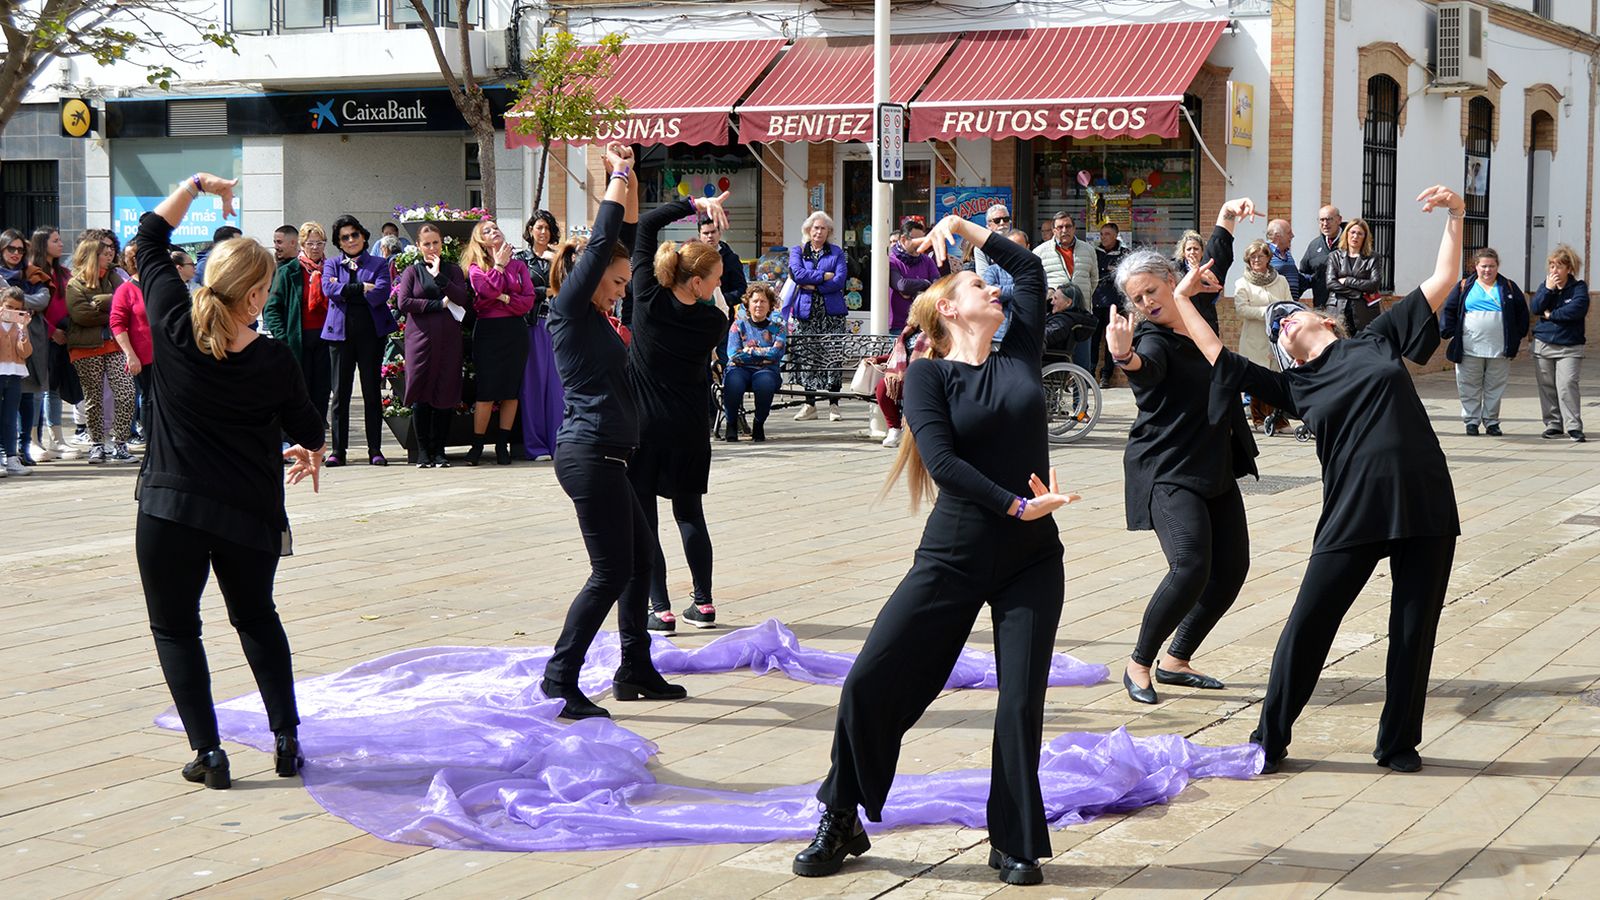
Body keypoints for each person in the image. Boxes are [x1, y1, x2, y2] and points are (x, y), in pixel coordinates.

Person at [793, 213, 1078, 887]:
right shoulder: (928, 377)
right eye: (979, 285)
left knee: (1020, 703)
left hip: (1033, 559)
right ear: (948, 308)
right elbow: (944, 463)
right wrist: (1015, 504)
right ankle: (841, 814)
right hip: (955, 553)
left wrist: (961, 225)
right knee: (870, 680)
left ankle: (1014, 841)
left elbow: (1027, 267)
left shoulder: (1019, 350)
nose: (994, 289)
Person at [1169, 185, 1467, 775]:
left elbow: (1442, 280)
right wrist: (1183, 295)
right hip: (1353, 510)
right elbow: (1214, 351)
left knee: (1413, 630)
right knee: (1309, 624)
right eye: (1277, 329)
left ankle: (1398, 743)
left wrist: (1456, 216)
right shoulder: (1295, 385)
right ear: (1289, 355)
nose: (1283, 325)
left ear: (1323, 318)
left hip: (1425, 500)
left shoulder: (1376, 339)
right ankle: (1269, 739)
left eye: (1288, 314)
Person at [132, 173, 325, 790]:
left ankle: (209, 753)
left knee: (176, 629)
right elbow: (311, 428)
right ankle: (286, 738)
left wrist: (196, 186)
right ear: (258, 295)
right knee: (257, 618)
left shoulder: (171, 323)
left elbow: (149, 238)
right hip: (247, 510)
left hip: (171, 506)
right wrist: (310, 452)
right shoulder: (274, 360)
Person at [543, 142, 686, 720]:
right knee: (609, 573)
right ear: (593, 276)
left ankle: (634, 669)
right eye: (619, 282)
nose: (624, 289)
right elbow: (604, 241)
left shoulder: (599, 318)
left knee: (641, 561)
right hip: (589, 453)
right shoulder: (568, 311)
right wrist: (618, 174)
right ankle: (560, 678)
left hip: (611, 457)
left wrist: (628, 178)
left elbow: (622, 235)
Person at [1104, 198, 1261, 707]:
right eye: (1137, 298)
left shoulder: (1196, 312)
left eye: (1151, 291)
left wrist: (1226, 216)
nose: (1146, 303)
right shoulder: (1151, 340)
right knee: (1191, 564)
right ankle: (1139, 663)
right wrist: (1124, 357)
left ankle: (1177, 659)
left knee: (1232, 569)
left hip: (1213, 461)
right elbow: (1146, 372)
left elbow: (1215, 257)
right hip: (1167, 468)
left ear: (1171, 281)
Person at [628, 189, 730, 634]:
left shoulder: (645, 299)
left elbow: (646, 226)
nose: (719, 285)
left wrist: (693, 206)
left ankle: (661, 609)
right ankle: (703, 604)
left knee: (646, 519)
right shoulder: (713, 322)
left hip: (644, 427)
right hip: (689, 428)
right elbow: (714, 307)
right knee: (690, 514)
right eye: (716, 279)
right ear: (697, 284)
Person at [393, 224, 471, 468]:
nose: (432, 247)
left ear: (442, 243)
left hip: (448, 339)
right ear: (418, 246)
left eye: (435, 242)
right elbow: (404, 302)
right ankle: (423, 451)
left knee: (445, 391)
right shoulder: (412, 271)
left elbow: (462, 298)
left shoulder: (452, 270)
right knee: (421, 391)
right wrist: (437, 305)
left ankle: (439, 451)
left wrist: (440, 277)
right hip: (420, 339)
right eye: (426, 244)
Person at [464, 218, 536, 465]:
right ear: (481, 241)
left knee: (510, 391)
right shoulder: (476, 267)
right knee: (486, 391)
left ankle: (502, 444)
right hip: (488, 331)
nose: (494, 231)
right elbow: (486, 292)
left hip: (514, 331)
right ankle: (477, 445)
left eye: (495, 228)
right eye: (487, 230)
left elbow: (527, 301)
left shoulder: (519, 266)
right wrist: (499, 266)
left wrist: (504, 298)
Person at [322, 215, 393, 467]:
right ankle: (338, 450)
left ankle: (375, 449)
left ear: (363, 236)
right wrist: (362, 287)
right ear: (338, 243)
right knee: (340, 394)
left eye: (354, 234)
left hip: (371, 335)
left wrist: (344, 289)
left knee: (371, 392)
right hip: (339, 336)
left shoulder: (379, 263)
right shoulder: (331, 264)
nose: (351, 240)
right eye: (345, 237)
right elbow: (328, 290)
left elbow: (381, 292)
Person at [1438, 247, 1529, 436]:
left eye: (1491, 266)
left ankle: (1491, 422)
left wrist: (1517, 335)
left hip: (1499, 348)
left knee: (1494, 386)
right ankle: (1471, 421)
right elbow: (1449, 310)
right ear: (1476, 266)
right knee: (1468, 385)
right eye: (1484, 266)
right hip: (1469, 347)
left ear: (1497, 267)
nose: (1488, 270)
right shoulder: (1464, 286)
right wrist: (1450, 333)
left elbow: (1522, 312)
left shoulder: (1508, 287)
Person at [65, 236, 137, 464]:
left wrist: (101, 303)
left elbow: (127, 304)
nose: (109, 256)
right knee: (93, 399)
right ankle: (97, 444)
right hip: (86, 348)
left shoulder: (114, 276)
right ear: (92, 257)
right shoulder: (74, 283)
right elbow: (81, 315)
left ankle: (120, 443)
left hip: (116, 345)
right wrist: (113, 312)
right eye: (104, 253)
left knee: (126, 394)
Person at [263, 222, 332, 426]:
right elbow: (271, 309)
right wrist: (283, 338)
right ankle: (299, 436)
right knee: (300, 392)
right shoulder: (288, 271)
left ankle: (317, 434)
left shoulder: (332, 269)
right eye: (310, 243)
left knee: (322, 391)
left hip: (327, 340)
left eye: (320, 243)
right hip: (298, 340)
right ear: (302, 244)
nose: (315, 248)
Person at [787, 211, 848, 422]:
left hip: (832, 314)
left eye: (823, 228)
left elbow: (840, 280)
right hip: (806, 313)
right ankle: (810, 405)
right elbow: (797, 274)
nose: (819, 232)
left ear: (828, 231)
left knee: (833, 356)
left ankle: (834, 404)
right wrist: (824, 276)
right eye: (816, 228)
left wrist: (815, 286)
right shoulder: (798, 251)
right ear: (808, 230)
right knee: (808, 357)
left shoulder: (836, 252)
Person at [515, 210, 564, 461]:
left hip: (557, 326)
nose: (543, 232)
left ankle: (558, 443)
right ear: (530, 230)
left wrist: (557, 261)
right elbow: (519, 289)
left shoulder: (559, 257)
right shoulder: (520, 259)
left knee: (557, 388)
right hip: (532, 325)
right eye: (539, 227)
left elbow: (572, 285)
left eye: (547, 228)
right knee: (533, 386)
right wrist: (547, 291)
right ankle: (535, 446)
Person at [1529, 245, 1588, 442]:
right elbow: (1536, 308)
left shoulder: (1579, 288)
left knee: (1567, 384)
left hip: (1570, 346)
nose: (1554, 270)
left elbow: (1576, 311)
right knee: (1547, 386)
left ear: (1569, 269)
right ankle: (1553, 424)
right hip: (1543, 343)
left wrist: (1551, 315)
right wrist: (1548, 290)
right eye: (1552, 266)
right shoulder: (1545, 286)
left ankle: (1573, 426)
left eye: (1559, 266)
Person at [2, 229, 50, 464]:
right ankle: (7, 451)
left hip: (31, 338)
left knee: (29, 396)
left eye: (21, 249)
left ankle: (25, 447)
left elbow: (43, 299)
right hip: (4, 348)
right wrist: (22, 304)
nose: (16, 253)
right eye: (11, 248)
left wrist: (14, 300)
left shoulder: (32, 273)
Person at [1234, 238, 1292, 430]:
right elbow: (1242, 309)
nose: (1256, 260)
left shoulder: (1281, 281)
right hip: (1254, 339)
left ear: (1268, 258)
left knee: (1276, 379)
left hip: (1276, 339)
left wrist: (1284, 316)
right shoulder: (1242, 283)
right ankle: (1258, 419)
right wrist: (1268, 312)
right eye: (1252, 257)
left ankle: (1279, 420)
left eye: (1260, 256)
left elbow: (1289, 304)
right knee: (1257, 380)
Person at [26, 227, 74, 460]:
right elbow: (33, 310)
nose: (61, 244)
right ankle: (33, 440)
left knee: (53, 389)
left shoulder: (64, 272)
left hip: (63, 339)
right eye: (55, 240)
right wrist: (52, 331)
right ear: (42, 244)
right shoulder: (32, 272)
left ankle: (57, 440)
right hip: (39, 338)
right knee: (37, 390)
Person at [1032, 210, 1098, 367]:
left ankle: (1082, 384)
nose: (1064, 230)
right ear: (1053, 230)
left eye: (1068, 226)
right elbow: (1036, 284)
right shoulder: (1039, 252)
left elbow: (1094, 280)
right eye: (1060, 227)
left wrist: (1077, 297)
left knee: (1083, 364)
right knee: (1053, 362)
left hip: (1081, 316)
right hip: (1055, 318)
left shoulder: (1088, 250)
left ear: (1074, 228)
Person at [721, 281, 784, 444]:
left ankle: (758, 424)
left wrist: (750, 351)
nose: (759, 305)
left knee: (764, 383)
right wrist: (763, 353)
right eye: (755, 301)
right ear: (747, 304)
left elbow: (776, 354)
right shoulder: (738, 325)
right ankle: (731, 424)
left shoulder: (778, 327)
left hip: (767, 371)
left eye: (763, 301)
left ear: (770, 305)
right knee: (733, 382)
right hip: (739, 369)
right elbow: (733, 354)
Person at [1172, 198, 1247, 334]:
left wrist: (1228, 211)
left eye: (1196, 249)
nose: (1192, 252)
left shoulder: (1209, 266)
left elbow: (1220, 242)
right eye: (1189, 249)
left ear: (1202, 251)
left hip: (1206, 324)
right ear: (1183, 252)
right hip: (1180, 327)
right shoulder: (1173, 269)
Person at [111, 243, 155, 443]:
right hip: (143, 356)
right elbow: (117, 323)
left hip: (167, 354)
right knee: (149, 398)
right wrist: (130, 354)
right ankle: (151, 444)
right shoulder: (126, 289)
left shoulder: (159, 286)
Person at [1324, 217, 1382, 334]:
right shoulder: (1334, 256)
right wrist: (1357, 294)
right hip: (1338, 309)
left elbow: (1374, 284)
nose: (1355, 236)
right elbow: (1331, 283)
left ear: (1365, 237)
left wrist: (1347, 281)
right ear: (1347, 234)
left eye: (1360, 234)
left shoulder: (1373, 258)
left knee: (1362, 342)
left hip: (1364, 313)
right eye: (1353, 232)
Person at [0, 287, 33, 476]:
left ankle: (12, 457)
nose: (12, 312)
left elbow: (25, 352)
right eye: (8, 307)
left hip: (14, 374)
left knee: (10, 416)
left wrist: (23, 329)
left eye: (17, 309)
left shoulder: (19, 327)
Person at [1092, 221, 1129, 387]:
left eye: (1107, 234)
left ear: (1116, 235)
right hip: (1095, 302)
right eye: (1101, 234)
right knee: (1092, 340)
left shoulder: (1124, 253)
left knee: (1110, 341)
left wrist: (1109, 273)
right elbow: (1093, 273)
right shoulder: (1094, 252)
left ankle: (1106, 375)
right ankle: (1089, 373)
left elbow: (1124, 276)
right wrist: (1108, 271)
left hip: (1115, 304)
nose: (1103, 237)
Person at [889, 217, 939, 332]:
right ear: (903, 240)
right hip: (897, 326)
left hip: (922, 326)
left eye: (923, 240)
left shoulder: (927, 260)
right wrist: (925, 283)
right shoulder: (891, 260)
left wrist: (914, 290)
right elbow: (901, 285)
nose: (921, 244)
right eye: (917, 240)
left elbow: (937, 287)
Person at [1298, 205, 1343, 310]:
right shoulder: (1314, 245)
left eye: (1329, 219)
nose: (1325, 224)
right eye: (1322, 220)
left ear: (1339, 220)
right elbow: (1304, 275)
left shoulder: (1351, 243)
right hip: (1322, 307)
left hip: (1346, 307)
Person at [1266, 219, 1304, 298]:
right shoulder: (1265, 253)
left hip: (1291, 303)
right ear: (1277, 236)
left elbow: (1296, 278)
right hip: (1276, 303)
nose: (1292, 235)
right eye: (1289, 233)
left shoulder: (1287, 253)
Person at [971, 203, 1012, 272]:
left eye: (1006, 219)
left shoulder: (1017, 242)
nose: (1002, 223)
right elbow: (983, 275)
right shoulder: (981, 247)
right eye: (997, 220)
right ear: (988, 225)